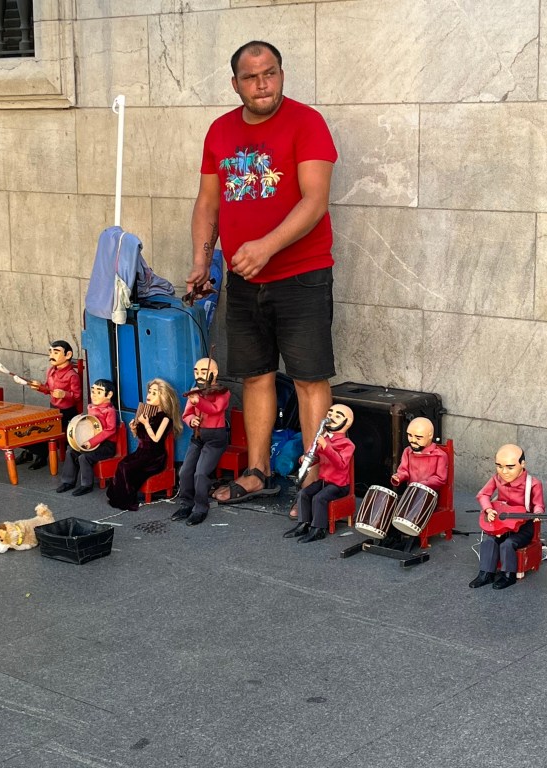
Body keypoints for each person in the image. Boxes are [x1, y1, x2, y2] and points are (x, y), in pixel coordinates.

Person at [186, 40, 338, 504]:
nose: (262, 84)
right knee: (255, 375)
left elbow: (315, 200)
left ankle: (313, 480)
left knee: (310, 379)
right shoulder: (220, 131)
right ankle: (258, 471)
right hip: (243, 278)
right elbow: (208, 203)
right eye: (251, 77)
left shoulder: (307, 123)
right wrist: (202, 261)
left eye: (269, 73)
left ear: (281, 75)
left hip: (302, 274)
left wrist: (266, 247)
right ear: (235, 84)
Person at [469, 444, 545, 590]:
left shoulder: (533, 484)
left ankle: (508, 575)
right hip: (501, 524)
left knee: (508, 544)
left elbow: (538, 504)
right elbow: (483, 494)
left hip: (523, 526)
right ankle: (486, 574)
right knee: (489, 541)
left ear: (522, 464)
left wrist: (537, 513)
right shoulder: (496, 479)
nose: (504, 472)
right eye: (499, 466)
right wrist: (488, 509)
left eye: (510, 467)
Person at [106, 379, 182, 512]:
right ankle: (116, 498)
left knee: (127, 467)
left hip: (154, 457)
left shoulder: (165, 418)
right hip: (140, 453)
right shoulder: (146, 413)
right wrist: (134, 428)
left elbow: (156, 439)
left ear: (163, 397)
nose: (149, 395)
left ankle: (127, 500)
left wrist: (146, 424)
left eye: (154, 393)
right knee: (122, 464)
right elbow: (140, 436)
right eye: (149, 392)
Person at [284, 404, 355, 543]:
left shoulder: (347, 444)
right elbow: (315, 457)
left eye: (337, 416)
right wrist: (306, 459)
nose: (331, 418)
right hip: (324, 481)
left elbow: (341, 464)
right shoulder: (323, 438)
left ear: (347, 422)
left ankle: (318, 529)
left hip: (339, 485)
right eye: (330, 414)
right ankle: (304, 524)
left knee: (319, 498)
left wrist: (326, 447)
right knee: (303, 493)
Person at [172, 358, 231, 527]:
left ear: (214, 373)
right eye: (196, 371)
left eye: (203, 372)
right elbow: (187, 414)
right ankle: (186, 503)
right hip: (198, 436)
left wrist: (200, 401)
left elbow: (215, 409)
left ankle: (200, 507)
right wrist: (192, 420)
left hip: (215, 438)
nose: (199, 375)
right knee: (185, 471)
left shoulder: (223, 392)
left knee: (200, 473)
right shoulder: (195, 392)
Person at [19, 340, 82, 471]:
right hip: (53, 409)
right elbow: (48, 389)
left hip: (67, 413)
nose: (52, 355)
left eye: (56, 352)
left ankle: (41, 455)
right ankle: (30, 451)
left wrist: (65, 394)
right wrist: (39, 386)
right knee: (28, 423)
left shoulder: (72, 375)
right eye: (51, 352)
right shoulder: (51, 371)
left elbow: (77, 396)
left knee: (42, 428)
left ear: (68, 354)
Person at [57, 379, 119, 497]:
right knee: (71, 452)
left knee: (84, 457)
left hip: (106, 445)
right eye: (93, 391)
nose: (94, 395)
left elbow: (110, 430)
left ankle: (86, 485)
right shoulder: (91, 407)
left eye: (99, 392)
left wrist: (91, 442)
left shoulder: (109, 411)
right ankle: (68, 481)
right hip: (92, 442)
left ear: (109, 394)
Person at [390, 417, 448, 493]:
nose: (413, 440)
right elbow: (404, 470)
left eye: (418, 437)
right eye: (410, 435)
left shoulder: (439, 456)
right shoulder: (408, 451)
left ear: (430, 436)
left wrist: (423, 484)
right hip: (411, 492)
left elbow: (440, 479)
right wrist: (399, 476)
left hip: (428, 493)